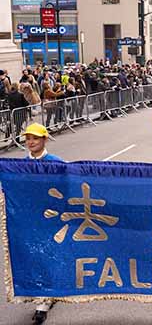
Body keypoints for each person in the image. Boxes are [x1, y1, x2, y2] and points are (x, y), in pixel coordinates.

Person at [21, 123, 63, 324]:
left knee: (45, 254)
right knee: (34, 255)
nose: (31, 142)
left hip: (50, 218)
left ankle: (44, 301)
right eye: (28, 138)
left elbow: (68, 188)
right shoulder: (20, 165)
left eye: (35, 138)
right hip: (30, 218)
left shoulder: (56, 163)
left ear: (44, 139)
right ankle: (43, 293)